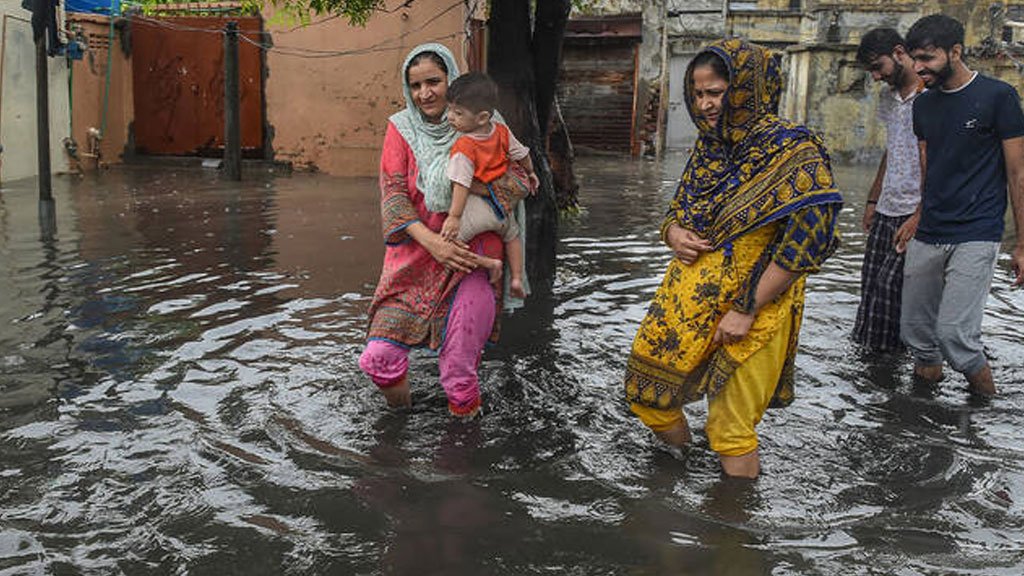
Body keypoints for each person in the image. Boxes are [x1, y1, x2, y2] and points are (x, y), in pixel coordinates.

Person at [622, 39, 843, 479]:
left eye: (717, 92)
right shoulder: (710, 148)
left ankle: (732, 530)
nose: (705, 104)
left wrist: (745, 309)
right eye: (699, 93)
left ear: (748, 88)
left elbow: (809, 240)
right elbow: (678, 209)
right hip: (689, 299)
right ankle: (687, 468)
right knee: (647, 396)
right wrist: (673, 234)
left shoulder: (794, 151)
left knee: (729, 427)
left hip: (758, 305)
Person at [358, 43, 525, 419]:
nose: (425, 93)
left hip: (472, 255)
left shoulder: (486, 124)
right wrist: (433, 243)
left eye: (434, 81)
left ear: (451, 79)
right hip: (416, 254)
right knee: (378, 359)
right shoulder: (400, 129)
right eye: (415, 85)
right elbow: (394, 196)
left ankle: (462, 452)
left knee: (459, 369)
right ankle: (402, 419)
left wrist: (472, 185)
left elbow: (523, 179)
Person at [901, 14, 1024, 395]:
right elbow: (928, 165)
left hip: (978, 231)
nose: (919, 68)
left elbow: (1018, 174)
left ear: (955, 51)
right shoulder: (922, 105)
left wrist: (1022, 244)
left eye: (928, 58)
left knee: (955, 335)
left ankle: (987, 411)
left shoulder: (998, 97)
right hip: (930, 229)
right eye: (914, 59)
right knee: (917, 335)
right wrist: (918, 215)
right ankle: (922, 417)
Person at [852, 28, 925, 352]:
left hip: (916, 209)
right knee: (869, 293)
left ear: (899, 53)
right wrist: (872, 198)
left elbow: (936, 159)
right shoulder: (889, 98)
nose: (877, 77)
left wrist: (922, 214)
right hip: (887, 207)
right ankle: (868, 374)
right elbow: (891, 149)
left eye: (878, 67)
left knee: (888, 290)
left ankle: (888, 373)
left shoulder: (930, 97)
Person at [442, 72, 539, 299]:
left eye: (458, 113)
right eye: (449, 110)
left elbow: (461, 185)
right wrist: (531, 173)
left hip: (480, 209)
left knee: (447, 246)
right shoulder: (502, 132)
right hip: (504, 210)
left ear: (482, 117)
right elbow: (522, 154)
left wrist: (455, 217)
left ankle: (489, 264)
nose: (450, 117)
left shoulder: (464, 147)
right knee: (513, 236)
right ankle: (516, 278)